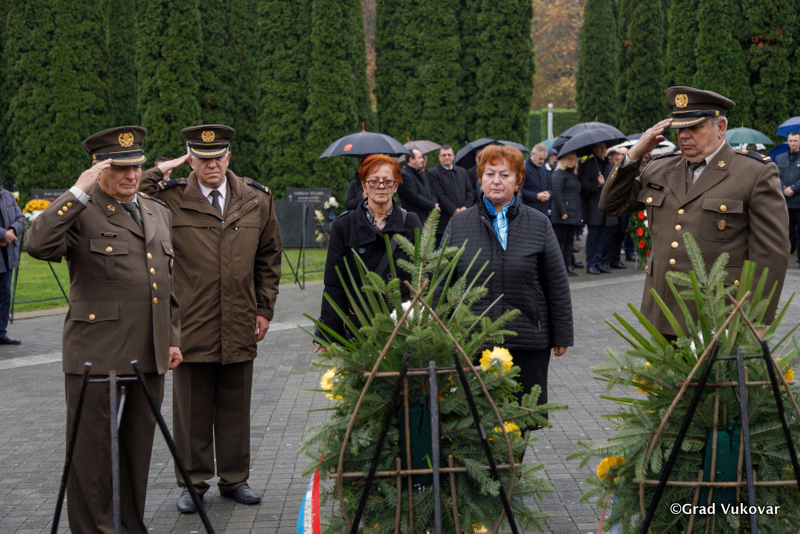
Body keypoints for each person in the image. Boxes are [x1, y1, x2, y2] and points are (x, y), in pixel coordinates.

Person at [25, 126, 182, 532]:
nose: (131, 176)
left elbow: (165, 283)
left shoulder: (156, 210)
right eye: (120, 168)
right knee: (91, 459)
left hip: (148, 354)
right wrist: (78, 191)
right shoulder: (81, 210)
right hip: (97, 356)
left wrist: (172, 338)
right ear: (98, 168)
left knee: (136, 454)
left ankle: (130, 527)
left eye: (136, 167)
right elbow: (37, 244)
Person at [139, 124, 283, 513]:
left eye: (218, 157)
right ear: (191, 161)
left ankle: (236, 480)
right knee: (191, 410)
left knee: (236, 406)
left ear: (229, 157)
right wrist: (161, 170)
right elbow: (132, 192)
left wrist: (264, 308)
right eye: (202, 159)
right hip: (190, 321)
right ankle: (193, 482)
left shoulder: (256, 198)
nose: (212, 165)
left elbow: (269, 256)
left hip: (240, 318)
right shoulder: (169, 198)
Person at [599, 86, 789, 337]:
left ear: (720, 127)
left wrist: (756, 319)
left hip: (719, 314)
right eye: (680, 129)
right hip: (662, 308)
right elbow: (611, 205)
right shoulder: (659, 168)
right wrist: (634, 154)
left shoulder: (753, 173)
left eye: (695, 128)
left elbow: (770, 254)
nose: (684, 136)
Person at [442, 144, 573, 430]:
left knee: (520, 420)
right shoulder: (459, 224)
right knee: (474, 421)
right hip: (472, 338)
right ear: (480, 178)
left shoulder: (538, 223)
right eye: (489, 174)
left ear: (518, 180)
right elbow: (442, 282)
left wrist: (562, 333)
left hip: (527, 338)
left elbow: (556, 282)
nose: (496, 181)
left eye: (505, 174)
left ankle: (514, 461)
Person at [316, 154, 421, 343]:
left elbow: (423, 274)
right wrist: (328, 332)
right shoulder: (344, 225)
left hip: (402, 325)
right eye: (374, 181)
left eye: (388, 181)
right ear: (364, 186)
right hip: (360, 325)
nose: (381, 186)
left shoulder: (410, 222)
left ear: (396, 186)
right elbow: (334, 282)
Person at [580, 142, 616, 274]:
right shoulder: (588, 165)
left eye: (604, 147)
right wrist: (598, 185)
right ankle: (591, 264)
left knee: (603, 239)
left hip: (606, 207)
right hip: (593, 207)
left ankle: (599, 262)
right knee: (593, 238)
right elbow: (583, 186)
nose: (603, 149)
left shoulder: (609, 165)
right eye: (600, 147)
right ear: (594, 149)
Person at [428, 146, 473, 242]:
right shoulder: (433, 173)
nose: (447, 157)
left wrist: (466, 207)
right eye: (444, 155)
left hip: (464, 218)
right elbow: (439, 195)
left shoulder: (462, 171)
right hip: (445, 221)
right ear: (439, 157)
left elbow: (470, 191)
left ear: (453, 156)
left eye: (449, 154)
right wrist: (454, 210)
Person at [550, 152, 582, 276]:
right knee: (560, 242)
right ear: (563, 160)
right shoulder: (558, 174)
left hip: (573, 213)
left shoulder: (574, 174)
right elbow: (556, 193)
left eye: (573, 159)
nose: (571, 161)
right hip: (562, 214)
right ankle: (560, 268)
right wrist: (563, 211)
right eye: (568, 159)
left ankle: (568, 266)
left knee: (569, 242)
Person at [0, 182, 24, 344]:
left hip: (7, 257)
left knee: (5, 296)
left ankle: (1, 332)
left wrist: (13, 231)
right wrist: (3, 235)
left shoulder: (8, 195)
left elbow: (21, 218)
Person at [398, 148, 438, 224]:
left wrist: (434, 204)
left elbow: (430, 190)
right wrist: (431, 206)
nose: (422, 160)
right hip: (414, 219)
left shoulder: (420, 173)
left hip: (426, 217)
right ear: (411, 160)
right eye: (419, 157)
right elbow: (414, 196)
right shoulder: (404, 175)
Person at [777, 131, 800, 262]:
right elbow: (774, 176)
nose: (792, 143)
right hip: (784, 203)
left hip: (798, 203)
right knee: (784, 233)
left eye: (795, 141)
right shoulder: (780, 158)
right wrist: (783, 188)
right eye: (790, 140)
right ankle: (781, 260)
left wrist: (793, 188)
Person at [522, 143, 551, 214]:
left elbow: (549, 185)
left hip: (543, 209)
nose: (542, 161)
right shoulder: (524, 168)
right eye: (540, 158)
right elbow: (520, 191)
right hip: (529, 209)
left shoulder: (543, 167)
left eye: (544, 159)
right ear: (533, 154)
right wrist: (536, 196)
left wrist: (549, 193)